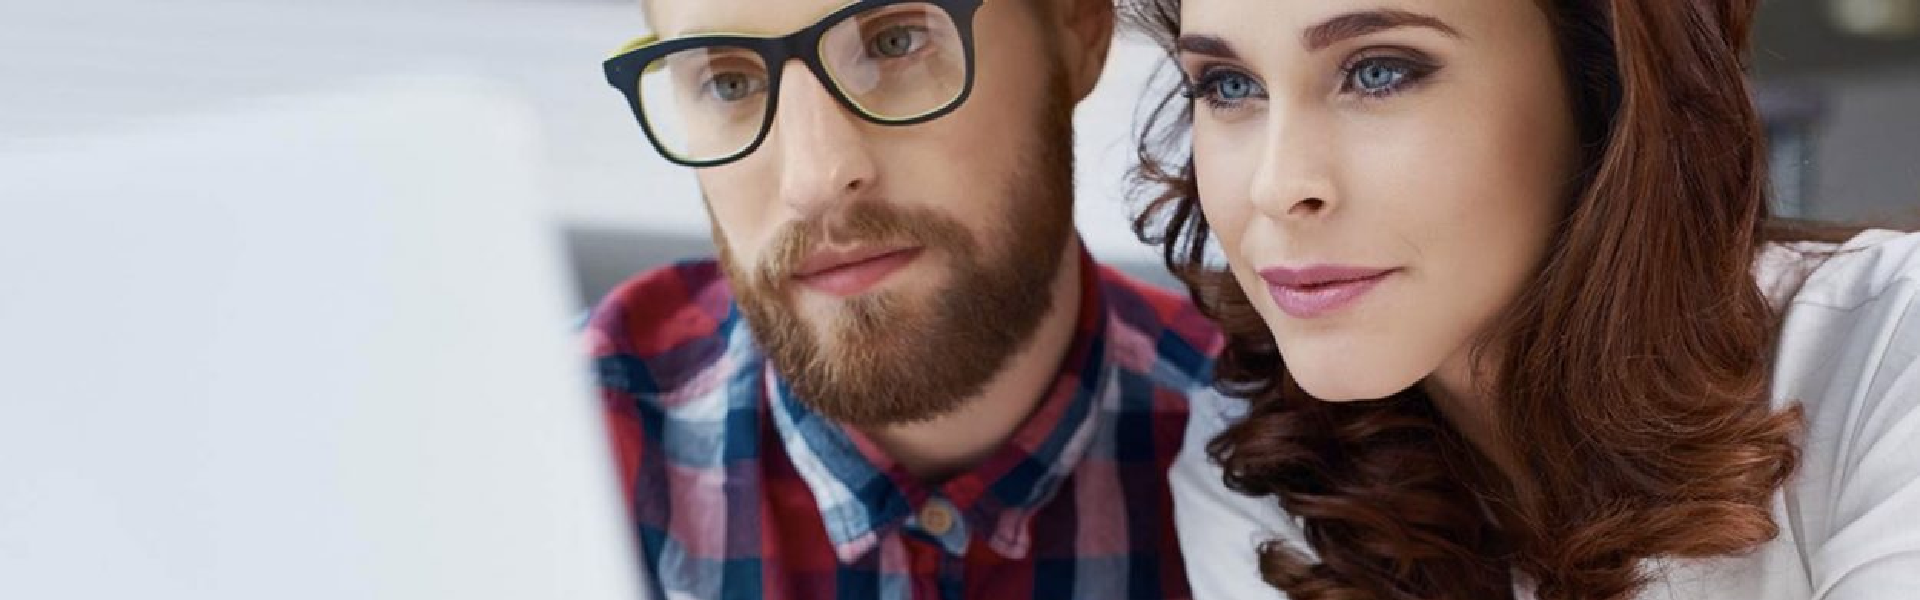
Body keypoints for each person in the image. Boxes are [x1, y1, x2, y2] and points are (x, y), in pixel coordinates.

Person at [1126, 0, 1920, 598]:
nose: (1276, 186)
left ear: (1600, 86)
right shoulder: (1266, 458)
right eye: (1228, 86)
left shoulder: (1891, 356)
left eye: (1380, 71)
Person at [586, 0, 1220, 598]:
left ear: (1075, 25)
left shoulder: (1276, 460)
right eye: (728, 82)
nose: (814, 180)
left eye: (895, 42)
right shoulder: (552, 454)